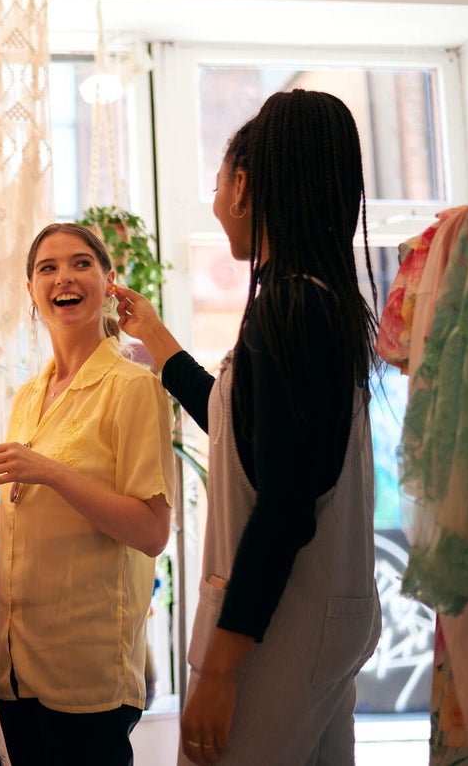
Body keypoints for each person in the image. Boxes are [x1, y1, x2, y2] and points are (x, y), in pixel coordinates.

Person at [116, 89, 382, 765]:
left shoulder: (287, 310)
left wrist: (222, 668)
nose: (215, 201)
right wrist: (159, 340)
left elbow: (286, 504)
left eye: (216, 182)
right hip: (333, 611)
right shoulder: (325, 304)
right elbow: (250, 438)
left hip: (280, 625)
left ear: (242, 186)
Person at [0, 222, 175, 766]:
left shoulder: (133, 388)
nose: (64, 277)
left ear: (110, 283)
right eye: (47, 267)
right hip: (17, 665)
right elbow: (34, 522)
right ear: (31, 291)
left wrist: (52, 471)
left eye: (82, 263)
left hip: (87, 670)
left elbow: (152, 533)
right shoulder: (31, 393)